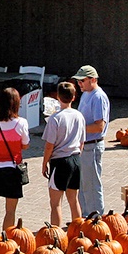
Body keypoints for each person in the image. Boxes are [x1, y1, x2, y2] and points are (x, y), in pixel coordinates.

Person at [0, 87, 29, 230]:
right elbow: (25, 145)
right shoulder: (21, 123)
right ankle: (6, 239)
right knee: (10, 210)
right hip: (12, 169)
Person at [42, 82, 85, 227]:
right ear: (74, 97)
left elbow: (49, 146)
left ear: (58, 97)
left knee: (56, 204)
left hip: (60, 162)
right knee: (74, 201)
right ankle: (79, 232)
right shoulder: (79, 116)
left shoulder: (55, 118)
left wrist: (44, 164)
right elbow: (81, 142)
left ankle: (56, 235)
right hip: (75, 159)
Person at [74, 65, 110, 218]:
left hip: (92, 145)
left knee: (92, 184)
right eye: (78, 81)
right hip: (83, 145)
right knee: (82, 184)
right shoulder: (86, 94)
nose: (79, 84)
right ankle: (84, 216)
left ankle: (96, 218)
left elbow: (99, 126)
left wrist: (76, 127)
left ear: (93, 80)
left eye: (82, 81)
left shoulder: (98, 97)